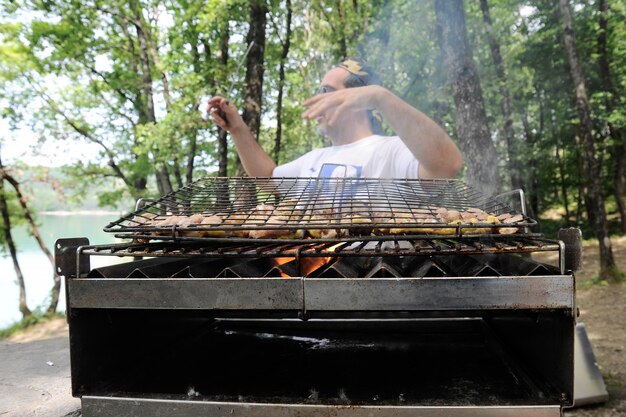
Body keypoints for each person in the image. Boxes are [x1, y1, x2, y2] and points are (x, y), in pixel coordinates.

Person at [207, 58, 462, 179]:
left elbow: (448, 165)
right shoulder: (314, 159)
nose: (318, 99)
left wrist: (381, 97)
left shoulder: (393, 150)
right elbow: (268, 178)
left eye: (326, 91)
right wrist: (237, 128)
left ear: (358, 99)